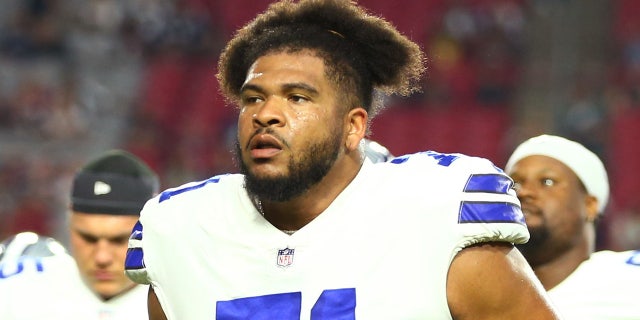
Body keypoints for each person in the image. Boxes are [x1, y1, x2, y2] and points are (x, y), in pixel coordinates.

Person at [125, 0, 560, 319]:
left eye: (297, 97)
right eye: (253, 98)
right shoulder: (179, 228)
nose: (265, 114)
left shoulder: (436, 210)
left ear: (353, 127)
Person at [0, 150, 159, 319]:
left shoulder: (177, 300)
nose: (102, 258)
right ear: (69, 224)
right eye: (88, 238)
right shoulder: (14, 288)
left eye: (119, 240)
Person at [505, 134, 640, 319]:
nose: (524, 192)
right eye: (515, 183)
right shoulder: (474, 291)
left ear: (590, 205)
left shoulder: (630, 278)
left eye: (547, 181)